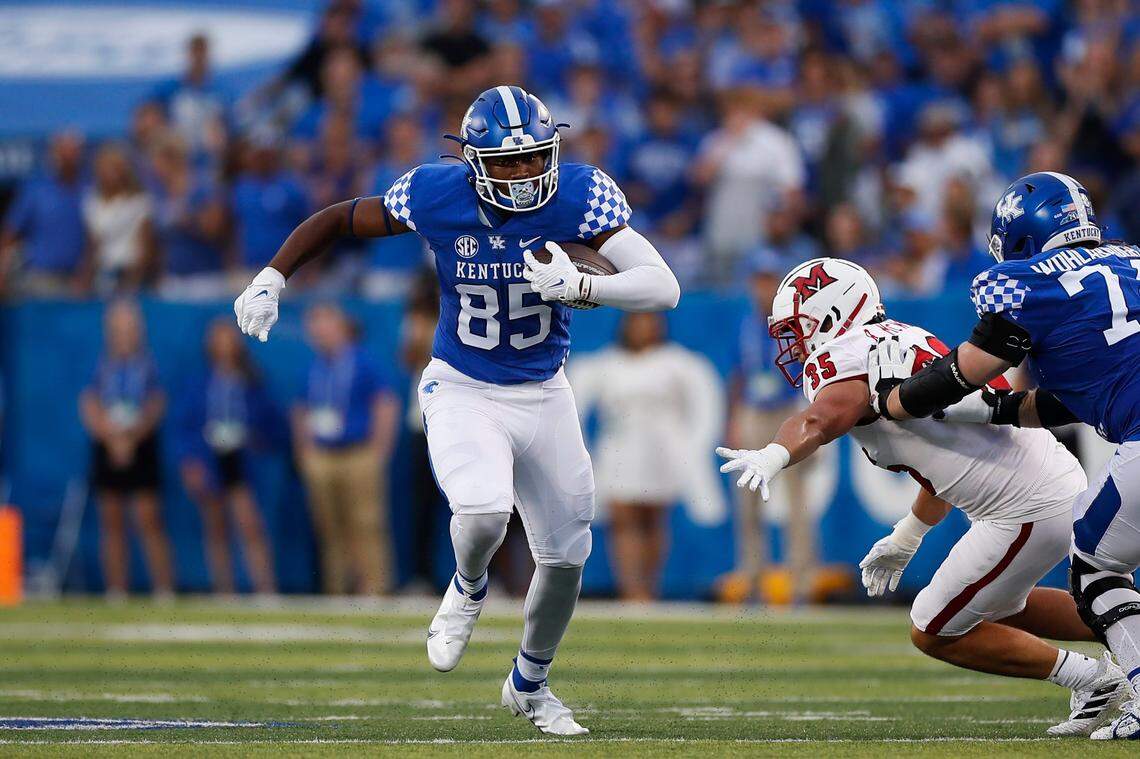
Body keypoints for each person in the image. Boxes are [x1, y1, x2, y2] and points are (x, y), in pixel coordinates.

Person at [233, 86, 680, 735]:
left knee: (566, 555)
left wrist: (587, 285)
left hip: (544, 388)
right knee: (482, 510)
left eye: (534, 158)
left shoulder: (581, 194)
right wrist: (273, 274)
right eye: (508, 162)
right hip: (463, 384)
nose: (526, 174)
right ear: (474, 163)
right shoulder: (437, 194)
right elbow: (339, 218)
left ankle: (530, 683)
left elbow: (662, 287)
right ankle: (469, 586)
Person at [716, 257, 1129, 738]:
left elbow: (823, 417)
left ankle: (1095, 678)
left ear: (831, 314)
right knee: (999, 603)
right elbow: (939, 467)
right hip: (1041, 483)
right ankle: (1130, 626)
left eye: (799, 328)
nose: (794, 343)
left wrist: (776, 452)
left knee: (933, 628)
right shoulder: (898, 337)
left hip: (1027, 505)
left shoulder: (846, 354)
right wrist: (907, 536)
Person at [868, 172, 1140, 740]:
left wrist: (894, 401)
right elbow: (1081, 391)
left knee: (1094, 566)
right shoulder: (1129, 261)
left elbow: (965, 368)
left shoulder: (1028, 282)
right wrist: (995, 412)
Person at [570, 312, 722, 601]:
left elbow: (702, 406)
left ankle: (649, 588)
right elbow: (578, 403)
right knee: (624, 520)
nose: (645, 328)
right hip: (619, 449)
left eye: (651, 323)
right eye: (639, 322)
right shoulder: (607, 363)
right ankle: (631, 590)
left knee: (652, 519)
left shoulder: (676, 363)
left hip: (660, 452)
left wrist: (691, 448)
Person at [292, 304, 398, 596]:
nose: (319, 334)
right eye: (314, 328)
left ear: (340, 327)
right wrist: (305, 450)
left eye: (324, 326)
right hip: (323, 454)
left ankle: (375, 589)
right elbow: (300, 409)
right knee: (329, 527)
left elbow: (385, 403)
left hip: (358, 452)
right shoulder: (313, 367)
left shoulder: (364, 361)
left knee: (366, 523)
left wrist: (379, 451)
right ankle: (336, 589)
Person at [726, 252, 814, 603]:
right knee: (748, 499)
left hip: (787, 409)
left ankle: (801, 579)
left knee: (797, 499)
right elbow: (737, 375)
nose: (763, 287)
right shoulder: (745, 323)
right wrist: (733, 420)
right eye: (758, 279)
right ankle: (752, 574)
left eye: (768, 279)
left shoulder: (793, 323)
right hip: (753, 410)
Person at [79, 301, 173, 599]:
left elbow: (157, 403)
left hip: (140, 443)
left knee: (148, 518)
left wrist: (132, 438)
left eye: (130, 329)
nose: (124, 335)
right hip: (108, 442)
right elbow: (89, 403)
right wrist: (110, 437)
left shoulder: (149, 365)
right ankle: (116, 589)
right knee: (112, 518)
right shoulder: (99, 364)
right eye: (119, 329)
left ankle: (164, 589)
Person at [176, 319, 277, 595]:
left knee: (249, 524)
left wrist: (255, 438)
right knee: (216, 526)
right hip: (210, 456)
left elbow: (268, 419)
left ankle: (265, 588)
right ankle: (224, 589)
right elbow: (186, 424)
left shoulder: (250, 379)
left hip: (239, 456)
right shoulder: (201, 382)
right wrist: (190, 461)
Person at [398, 271, 446, 594]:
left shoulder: (462, 309)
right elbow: (409, 359)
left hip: (462, 417)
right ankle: (421, 576)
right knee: (423, 507)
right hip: (424, 421)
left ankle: (489, 578)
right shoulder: (413, 321)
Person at [0, 131, 87, 298]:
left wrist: (86, 275)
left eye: (74, 151)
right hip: (42, 279)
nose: (70, 157)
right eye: (64, 151)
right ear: (54, 153)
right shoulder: (36, 189)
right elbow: (9, 233)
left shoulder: (87, 188)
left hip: (79, 280)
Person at [82, 143, 155, 295]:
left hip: (131, 273)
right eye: (105, 168)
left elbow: (145, 247)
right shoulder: (92, 201)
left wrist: (132, 283)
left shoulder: (139, 202)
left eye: (114, 168)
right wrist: (85, 279)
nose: (109, 173)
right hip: (103, 274)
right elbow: (93, 244)